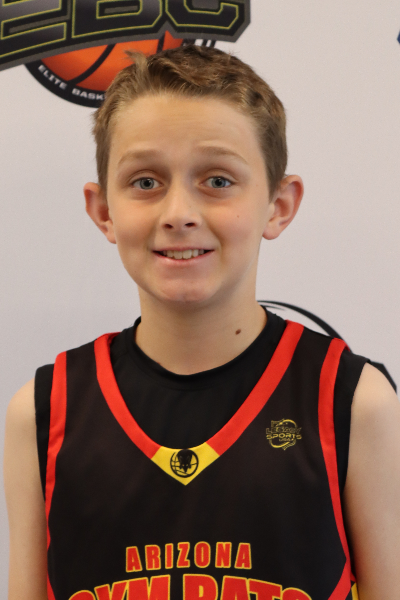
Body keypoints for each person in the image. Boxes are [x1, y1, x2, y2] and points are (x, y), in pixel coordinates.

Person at [3, 45, 400, 600]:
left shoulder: (355, 402)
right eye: (146, 182)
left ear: (278, 205)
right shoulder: (44, 412)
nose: (179, 214)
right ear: (104, 211)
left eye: (217, 180)